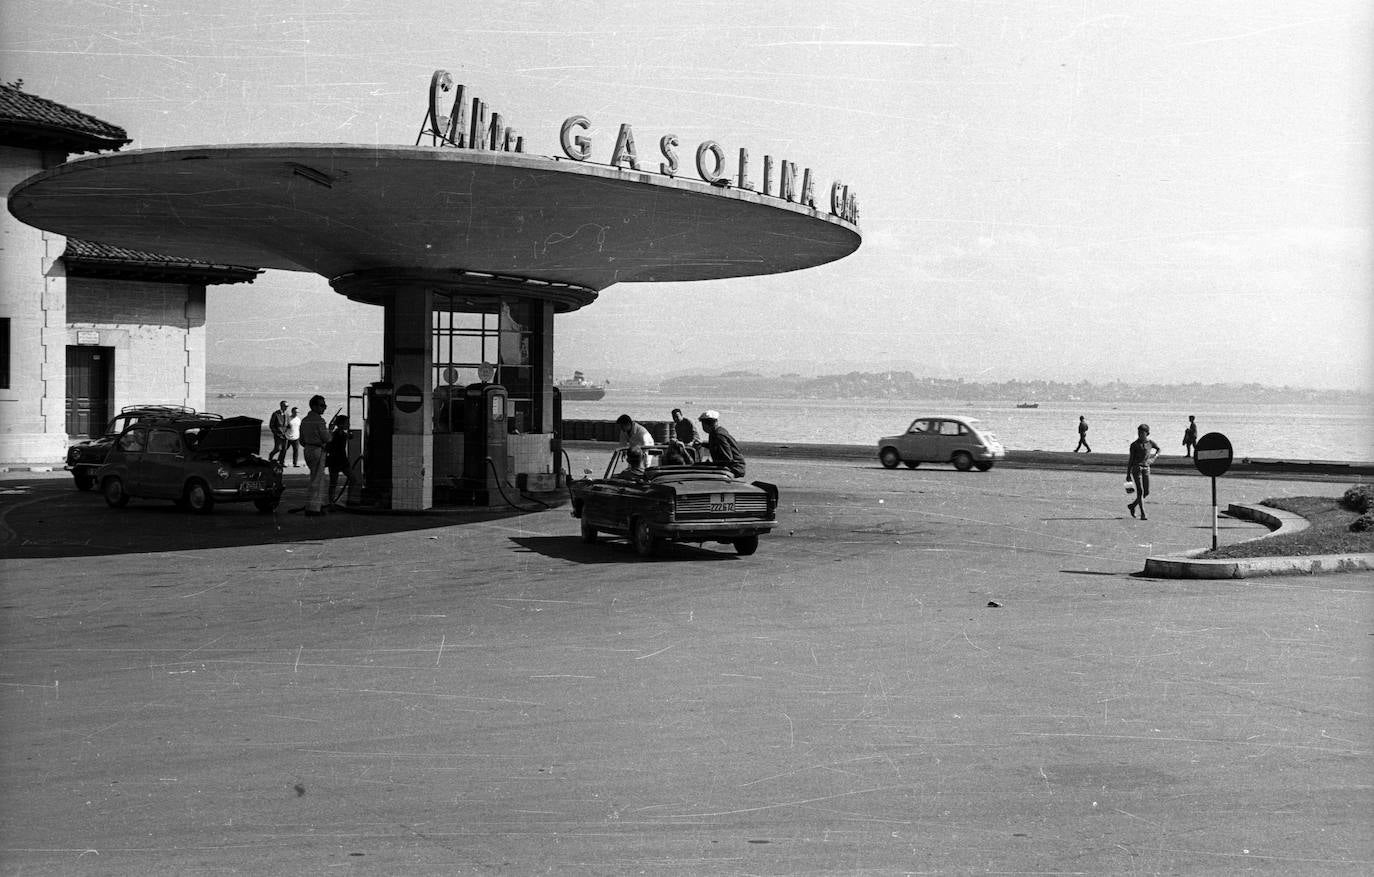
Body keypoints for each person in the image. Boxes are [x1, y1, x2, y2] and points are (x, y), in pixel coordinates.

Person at [299, 395, 331, 516]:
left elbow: (301, 440)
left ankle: (317, 505)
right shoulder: (319, 420)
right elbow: (326, 438)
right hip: (318, 449)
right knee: (318, 479)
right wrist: (330, 431)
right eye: (322, 405)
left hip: (307, 449)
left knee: (315, 477)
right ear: (314, 406)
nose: (324, 408)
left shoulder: (304, 420)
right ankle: (313, 508)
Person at [1126, 423, 1161, 520]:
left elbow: (1158, 449)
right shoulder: (1134, 445)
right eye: (1139, 432)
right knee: (1140, 491)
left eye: (1142, 433)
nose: (1140, 434)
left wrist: (1154, 457)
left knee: (1146, 492)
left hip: (1146, 468)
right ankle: (1143, 513)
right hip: (1136, 468)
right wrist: (1128, 474)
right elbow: (1130, 460)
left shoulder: (1150, 443)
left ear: (1147, 433)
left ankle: (1132, 506)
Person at [698, 409, 746, 478]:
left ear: (706, 424)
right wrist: (702, 443)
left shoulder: (719, 435)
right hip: (731, 466)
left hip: (734, 468)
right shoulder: (715, 432)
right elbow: (716, 446)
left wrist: (712, 465)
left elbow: (727, 458)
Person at [325, 414, 351, 506]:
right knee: (334, 482)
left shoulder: (339, 434)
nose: (348, 425)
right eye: (346, 423)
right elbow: (328, 446)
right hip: (337, 461)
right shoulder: (336, 434)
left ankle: (333, 501)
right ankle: (331, 502)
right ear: (341, 424)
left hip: (339, 460)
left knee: (334, 482)